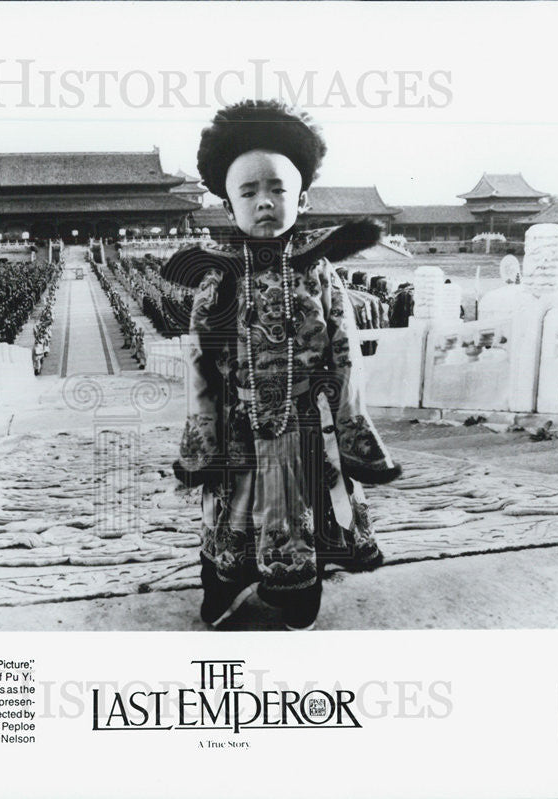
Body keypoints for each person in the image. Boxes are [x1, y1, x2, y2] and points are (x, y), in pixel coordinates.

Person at [162, 99, 401, 631]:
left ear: (303, 198)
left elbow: (344, 355)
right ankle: (225, 587)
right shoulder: (216, 279)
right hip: (238, 431)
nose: (264, 202)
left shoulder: (318, 273)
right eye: (249, 192)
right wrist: (202, 437)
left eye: (278, 189)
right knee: (228, 541)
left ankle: (294, 597)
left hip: (307, 433)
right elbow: (201, 364)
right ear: (228, 205)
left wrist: (353, 429)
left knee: (302, 554)